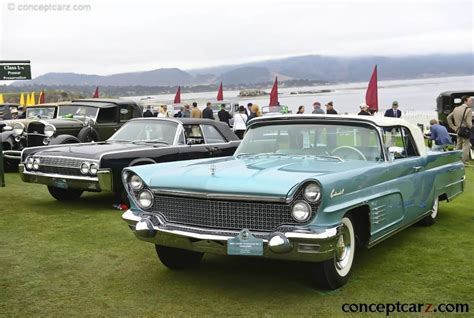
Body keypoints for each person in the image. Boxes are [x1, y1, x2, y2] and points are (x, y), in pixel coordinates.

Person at [447, 96, 472, 165]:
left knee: (458, 145)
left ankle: (456, 160)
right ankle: (464, 162)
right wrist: (472, 129)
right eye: (470, 100)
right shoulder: (469, 110)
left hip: (458, 129)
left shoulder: (456, 108)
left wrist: (453, 127)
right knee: (466, 146)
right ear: (465, 101)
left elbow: (448, 117)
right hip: (465, 130)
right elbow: (468, 122)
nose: (471, 102)